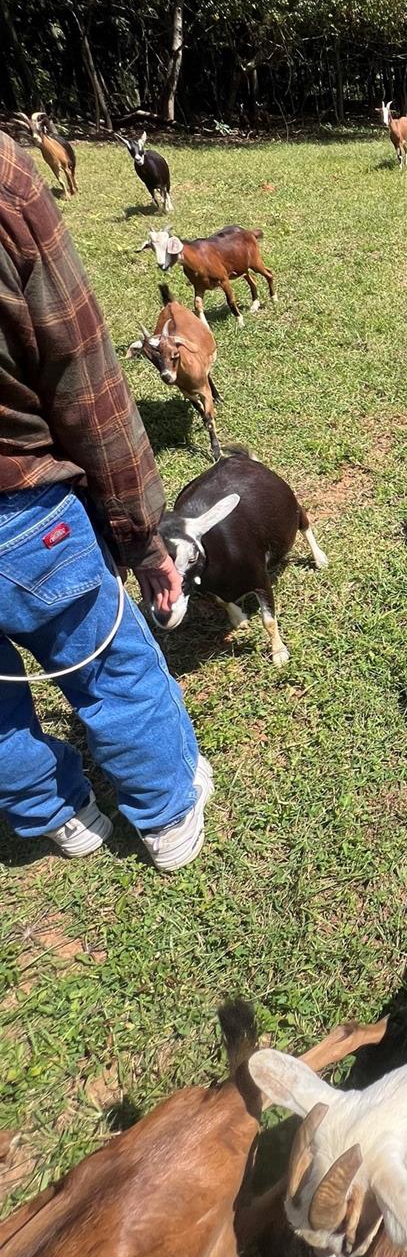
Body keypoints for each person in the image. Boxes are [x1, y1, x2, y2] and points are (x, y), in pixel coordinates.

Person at [0, 127, 210, 870]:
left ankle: (53, 812)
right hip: (17, 508)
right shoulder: (3, 178)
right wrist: (142, 534)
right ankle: (169, 814)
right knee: (107, 664)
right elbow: (84, 375)